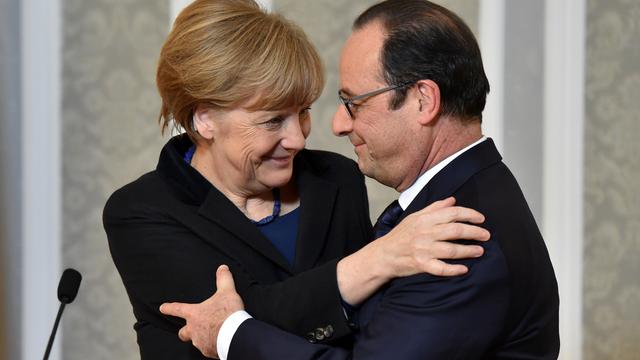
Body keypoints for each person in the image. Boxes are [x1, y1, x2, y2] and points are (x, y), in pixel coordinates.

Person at [160, 0, 561, 359]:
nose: (336, 125)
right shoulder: (453, 204)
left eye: (354, 103)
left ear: (423, 100)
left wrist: (232, 333)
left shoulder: (460, 235)